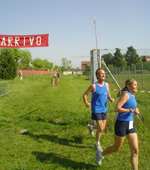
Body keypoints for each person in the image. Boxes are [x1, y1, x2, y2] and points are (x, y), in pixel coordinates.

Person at [96, 79, 139, 170]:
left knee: (135, 151)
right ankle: (101, 154)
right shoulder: (125, 95)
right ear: (128, 85)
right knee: (116, 148)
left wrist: (135, 110)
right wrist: (131, 110)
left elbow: (130, 107)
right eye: (134, 84)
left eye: (136, 84)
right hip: (121, 124)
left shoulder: (132, 95)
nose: (136, 86)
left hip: (131, 124)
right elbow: (117, 108)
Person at [83, 68, 114, 151]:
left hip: (104, 108)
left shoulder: (106, 84)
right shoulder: (93, 86)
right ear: (97, 75)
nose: (103, 75)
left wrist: (110, 98)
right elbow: (85, 95)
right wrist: (86, 102)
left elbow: (108, 94)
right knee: (101, 127)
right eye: (101, 73)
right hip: (96, 109)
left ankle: (91, 127)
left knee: (103, 127)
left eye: (104, 73)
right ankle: (97, 144)